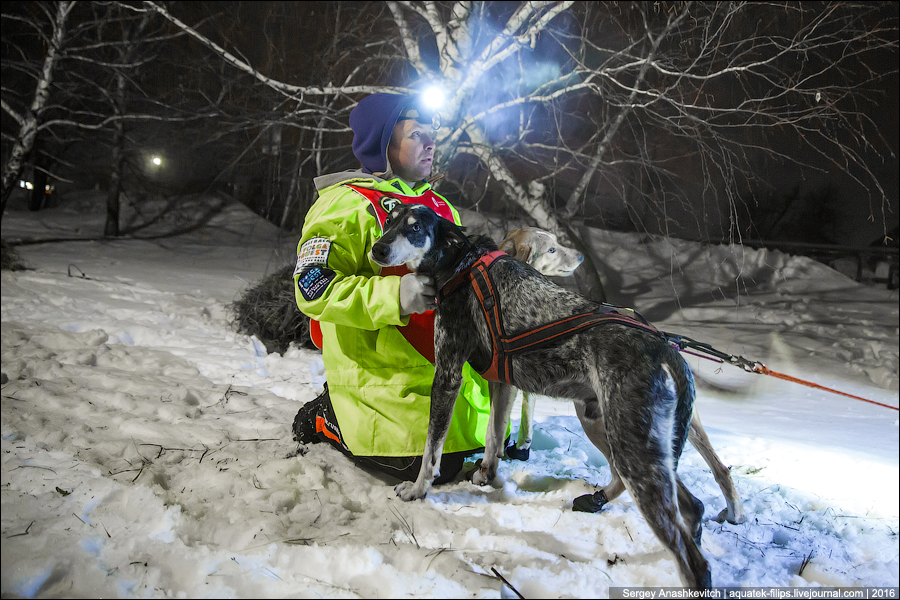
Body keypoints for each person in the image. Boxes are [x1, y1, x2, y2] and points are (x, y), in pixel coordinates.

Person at [291, 92, 495, 484]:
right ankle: (328, 415)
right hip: (382, 387)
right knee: (424, 467)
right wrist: (394, 296)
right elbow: (312, 288)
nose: (431, 142)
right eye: (416, 134)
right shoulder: (343, 206)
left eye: (431, 133)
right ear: (383, 145)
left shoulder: (441, 208)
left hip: (445, 381)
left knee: (464, 455)